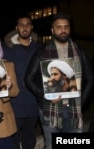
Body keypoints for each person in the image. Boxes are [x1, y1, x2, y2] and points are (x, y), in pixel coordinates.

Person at [25, 12, 94, 149]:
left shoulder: (79, 52)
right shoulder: (41, 52)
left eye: (66, 27)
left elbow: (90, 78)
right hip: (49, 111)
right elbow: (29, 78)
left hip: (73, 110)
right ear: (52, 30)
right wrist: (45, 95)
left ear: (69, 29)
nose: (63, 30)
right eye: (59, 27)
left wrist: (82, 102)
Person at [2, 14, 44, 149]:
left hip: (34, 101)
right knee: (13, 138)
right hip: (14, 102)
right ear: (16, 28)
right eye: (21, 25)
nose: (24, 28)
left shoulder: (40, 48)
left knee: (29, 137)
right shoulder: (6, 49)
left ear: (31, 27)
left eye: (27, 25)